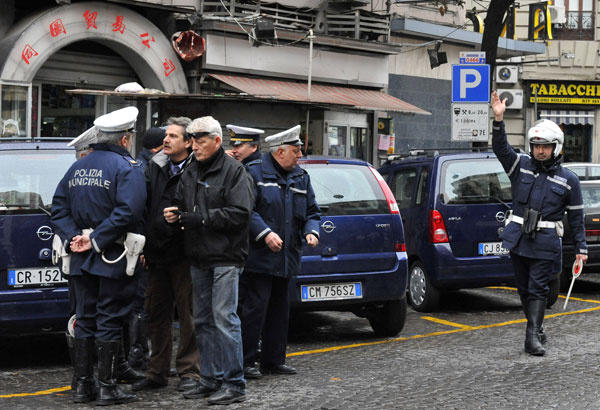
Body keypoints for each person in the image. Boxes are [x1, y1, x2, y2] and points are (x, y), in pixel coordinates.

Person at [50, 106, 147, 405]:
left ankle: (83, 386)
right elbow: (129, 211)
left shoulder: (77, 167)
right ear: (124, 139)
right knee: (111, 318)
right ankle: (107, 387)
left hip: (81, 257)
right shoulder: (127, 167)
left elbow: (58, 209)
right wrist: (95, 240)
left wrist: (75, 239)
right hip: (113, 254)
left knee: (85, 318)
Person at [164, 116, 254, 405]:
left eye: (200, 141)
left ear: (217, 141)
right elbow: (181, 200)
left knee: (224, 318)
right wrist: (174, 213)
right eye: (192, 141)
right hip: (199, 255)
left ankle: (234, 383)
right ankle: (210, 378)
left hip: (226, 256)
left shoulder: (234, 172)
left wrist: (199, 219)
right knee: (202, 319)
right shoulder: (191, 170)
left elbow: (240, 214)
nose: (195, 146)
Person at [491, 91, 587, 356]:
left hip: (545, 243)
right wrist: (498, 120)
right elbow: (500, 149)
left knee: (538, 289)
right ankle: (538, 328)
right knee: (523, 290)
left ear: (556, 147)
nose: (540, 151)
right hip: (518, 239)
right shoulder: (520, 166)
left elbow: (577, 220)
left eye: (545, 146)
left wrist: (582, 249)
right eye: (536, 146)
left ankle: (531, 337)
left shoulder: (569, 180)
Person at [240, 125, 321, 379]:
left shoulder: (301, 177)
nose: (300, 156)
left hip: (287, 258)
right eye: (296, 151)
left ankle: (274, 361)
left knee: (280, 311)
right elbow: (246, 211)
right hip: (260, 258)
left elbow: (312, 212)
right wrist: (264, 233)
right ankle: (246, 362)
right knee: (254, 311)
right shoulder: (253, 173)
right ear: (280, 152)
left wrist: (312, 231)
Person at [132, 117, 200, 393]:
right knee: (155, 313)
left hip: (186, 253)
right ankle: (156, 371)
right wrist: (144, 246)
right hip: (157, 252)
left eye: (173, 136)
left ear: (188, 142)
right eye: (166, 135)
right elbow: (144, 207)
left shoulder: (198, 168)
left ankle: (189, 372)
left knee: (188, 315)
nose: (166, 140)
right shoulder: (155, 166)